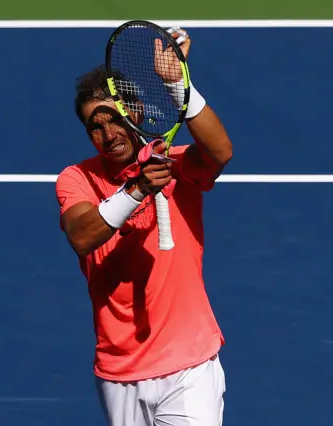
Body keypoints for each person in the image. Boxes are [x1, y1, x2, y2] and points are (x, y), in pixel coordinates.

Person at [55, 27, 233, 426]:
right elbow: (83, 236)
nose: (108, 135)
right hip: (120, 373)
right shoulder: (75, 180)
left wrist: (177, 84)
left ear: (135, 111)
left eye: (115, 120)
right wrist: (136, 190)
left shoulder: (178, 165)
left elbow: (220, 151)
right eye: (95, 128)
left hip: (189, 367)